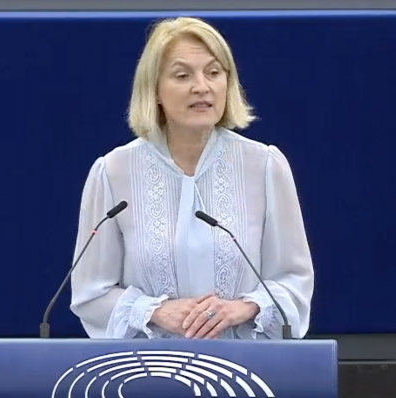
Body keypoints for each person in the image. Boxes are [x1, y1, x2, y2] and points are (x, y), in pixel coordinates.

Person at [70, 17, 314, 340]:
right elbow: (91, 294)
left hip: (244, 364)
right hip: (148, 366)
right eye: (182, 75)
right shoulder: (113, 172)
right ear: (155, 90)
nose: (202, 87)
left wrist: (244, 308)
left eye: (213, 73)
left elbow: (294, 283)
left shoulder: (265, 166)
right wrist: (155, 311)